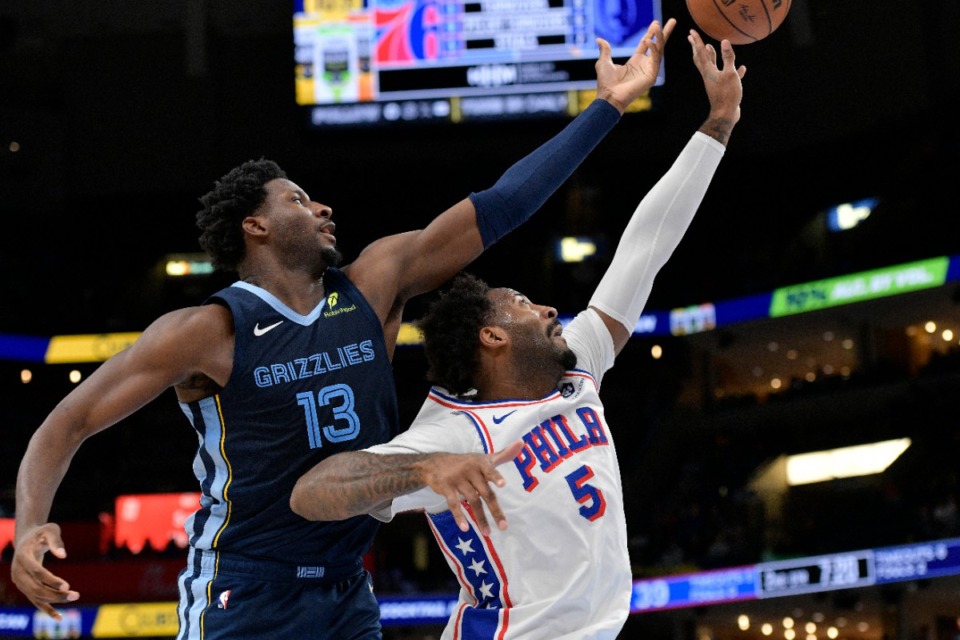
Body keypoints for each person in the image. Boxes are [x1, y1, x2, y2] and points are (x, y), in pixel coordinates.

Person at [10, 18, 676, 640]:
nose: (321, 205)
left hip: (348, 586)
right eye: (297, 199)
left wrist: (606, 108)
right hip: (245, 587)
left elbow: (502, 205)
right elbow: (67, 423)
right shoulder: (205, 330)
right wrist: (32, 523)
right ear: (255, 226)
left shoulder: (374, 284)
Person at [289, 29, 745, 639]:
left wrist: (717, 123)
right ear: (492, 339)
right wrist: (422, 470)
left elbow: (647, 247)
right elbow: (312, 492)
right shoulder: (450, 431)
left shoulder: (578, 365)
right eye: (524, 304)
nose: (552, 309)